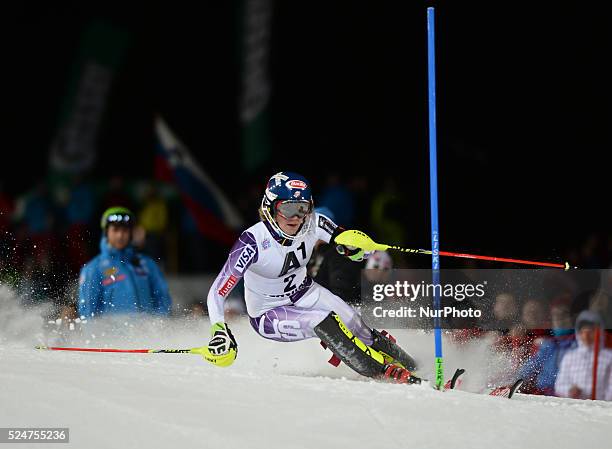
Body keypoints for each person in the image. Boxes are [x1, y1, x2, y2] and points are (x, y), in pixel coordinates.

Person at [205, 172, 418, 383]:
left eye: (302, 208)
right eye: (287, 208)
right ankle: (384, 371)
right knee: (322, 321)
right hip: (269, 313)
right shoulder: (252, 241)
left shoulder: (314, 222)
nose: (296, 217)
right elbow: (218, 291)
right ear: (271, 207)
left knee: (354, 322)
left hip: (305, 291)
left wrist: (361, 249)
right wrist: (218, 330)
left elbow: (342, 240)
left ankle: (410, 364)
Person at [78, 207, 172, 319]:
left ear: (131, 233)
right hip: (111, 335)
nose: (120, 235)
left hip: (148, 334)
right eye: (115, 230)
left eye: (125, 230)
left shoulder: (147, 264)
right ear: (106, 232)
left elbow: (163, 298)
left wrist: (158, 326)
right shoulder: (93, 268)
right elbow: (87, 312)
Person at [554, 310, 612, 400]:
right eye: (583, 332)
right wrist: (570, 390)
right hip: (576, 406)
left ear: (599, 332)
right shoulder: (570, 357)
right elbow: (560, 384)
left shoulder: (608, 357)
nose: (586, 336)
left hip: (600, 408)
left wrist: (602, 403)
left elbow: (610, 387)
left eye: (591, 332)